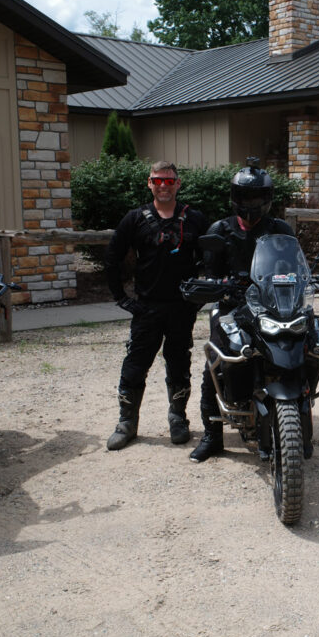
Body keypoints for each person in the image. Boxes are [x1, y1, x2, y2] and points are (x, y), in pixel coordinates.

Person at [189, 160, 294, 463]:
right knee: (216, 362)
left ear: (267, 198)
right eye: (245, 197)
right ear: (235, 198)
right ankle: (212, 436)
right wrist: (218, 284)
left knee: (306, 344)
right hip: (233, 306)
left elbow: (292, 267)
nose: (251, 204)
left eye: (256, 197)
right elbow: (210, 273)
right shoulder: (219, 230)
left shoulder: (280, 229)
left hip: (275, 305)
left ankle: (298, 421)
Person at [104, 161, 209, 450]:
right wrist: (123, 299)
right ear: (149, 183)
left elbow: (213, 257)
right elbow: (112, 258)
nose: (164, 186)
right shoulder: (135, 218)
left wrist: (202, 296)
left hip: (181, 308)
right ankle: (127, 422)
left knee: (179, 364)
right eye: (158, 181)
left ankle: (178, 419)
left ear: (178, 183)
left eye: (169, 181)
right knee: (135, 366)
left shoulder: (195, 219)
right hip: (146, 308)